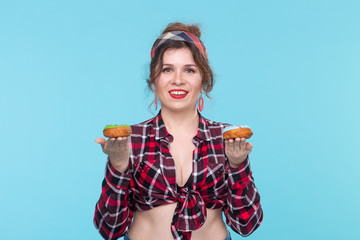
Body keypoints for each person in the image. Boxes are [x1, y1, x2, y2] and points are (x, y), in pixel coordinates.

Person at [94, 22, 263, 240]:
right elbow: (109, 229)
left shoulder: (226, 138)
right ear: (154, 79)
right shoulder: (130, 139)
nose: (178, 80)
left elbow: (246, 225)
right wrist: (117, 168)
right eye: (167, 69)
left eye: (189, 70)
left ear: (203, 80)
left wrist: (238, 166)